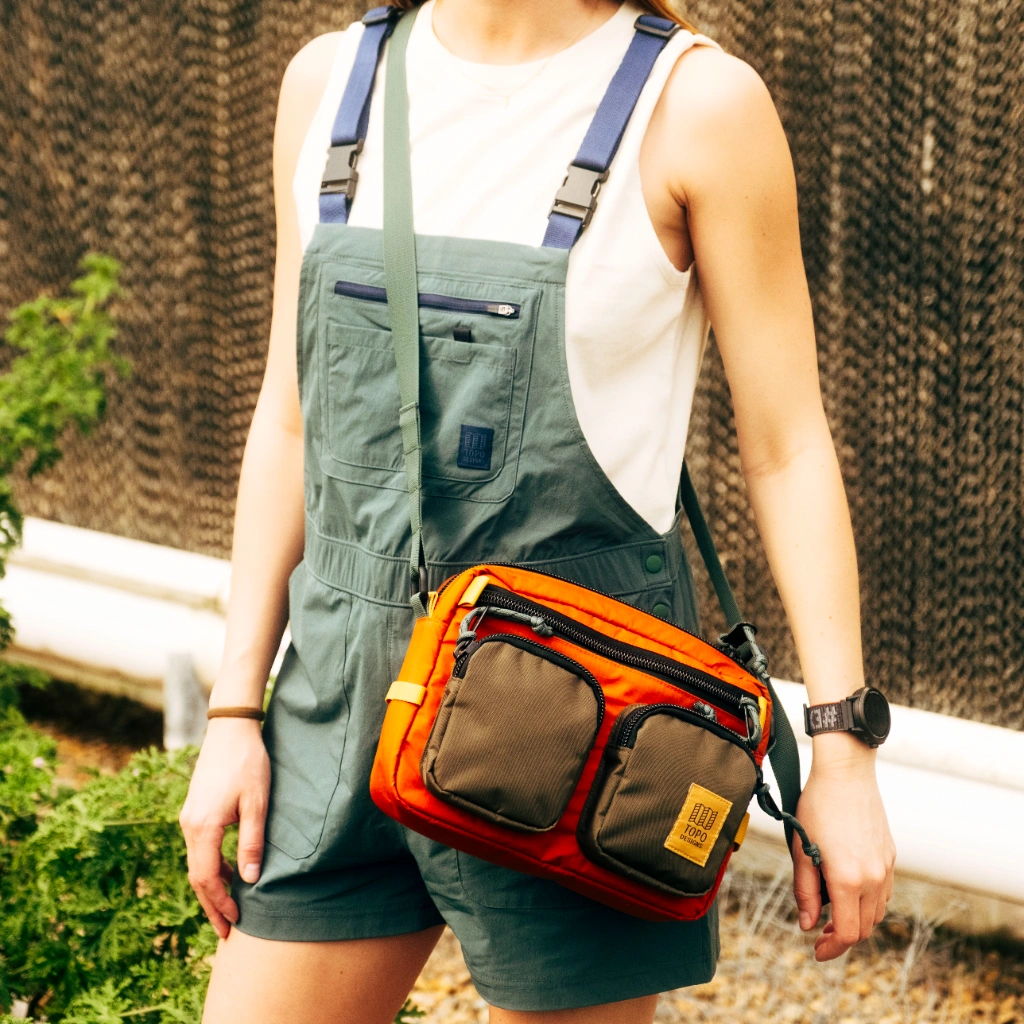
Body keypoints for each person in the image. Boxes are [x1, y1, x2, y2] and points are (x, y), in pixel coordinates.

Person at [178, 0, 897, 1021]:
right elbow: (291, 421)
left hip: (575, 714)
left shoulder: (695, 106)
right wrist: (235, 710)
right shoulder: (332, 81)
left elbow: (786, 448)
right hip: (337, 695)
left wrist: (840, 748)